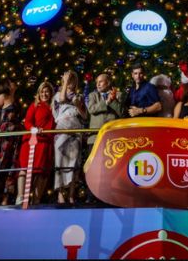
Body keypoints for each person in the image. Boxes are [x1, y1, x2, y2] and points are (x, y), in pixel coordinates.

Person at [17, 81, 56, 205]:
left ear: (51, 93)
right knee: (25, 168)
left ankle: (36, 200)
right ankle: (21, 196)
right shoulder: (35, 105)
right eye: (42, 91)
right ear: (39, 93)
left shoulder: (54, 107)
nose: (44, 94)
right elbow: (27, 122)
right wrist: (34, 129)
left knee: (42, 172)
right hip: (32, 141)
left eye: (47, 91)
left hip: (47, 143)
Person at [52, 70, 87, 204]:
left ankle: (71, 195)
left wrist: (78, 105)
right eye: (68, 80)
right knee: (59, 161)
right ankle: (60, 194)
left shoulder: (79, 96)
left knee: (74, 163)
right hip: (62, 129)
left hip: (76, 130)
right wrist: (65, 81)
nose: (71, 82)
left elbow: (84, 116)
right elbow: (62, 99)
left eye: (73, 80)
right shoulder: (57, 95)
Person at [87, 72, 123, 145]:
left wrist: (113, 100)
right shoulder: (92, 95)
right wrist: (106, 102)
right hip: (95, 137)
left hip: (113, 137)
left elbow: (121, 113)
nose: (98, 84)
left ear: (108, 83)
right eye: (97, 82)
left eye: (100, 82)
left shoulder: (118, 94)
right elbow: (91, 109)